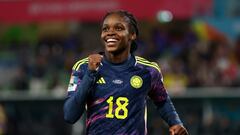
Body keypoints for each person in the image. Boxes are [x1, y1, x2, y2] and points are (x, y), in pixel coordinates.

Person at [63, 10, 188, 135]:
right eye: (105, 29)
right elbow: (70, 115)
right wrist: (90, 74)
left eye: (118, 28)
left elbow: (163, 101)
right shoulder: (83, 67)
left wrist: (175, 123)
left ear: (132, 35)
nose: (110, 33)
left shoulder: (148, 71)